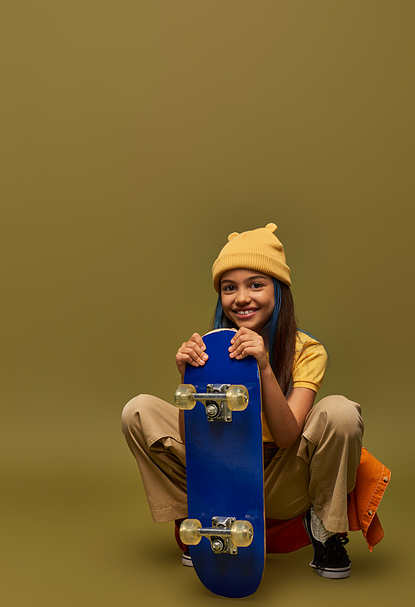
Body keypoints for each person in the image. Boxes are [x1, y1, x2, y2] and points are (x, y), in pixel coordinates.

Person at [122, 223, 365, 579]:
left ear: (278, 291)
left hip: (282, 476)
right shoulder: (213, 349)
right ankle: (196, 522)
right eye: (229, 287)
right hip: (221, 469)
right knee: (137, 410)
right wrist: (189, 380)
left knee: (342, 412)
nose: (241, 298)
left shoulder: (306, 350)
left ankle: (324, 529)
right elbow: (194, 443)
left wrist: (264, 368)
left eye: (256, 284)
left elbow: (287, 436)